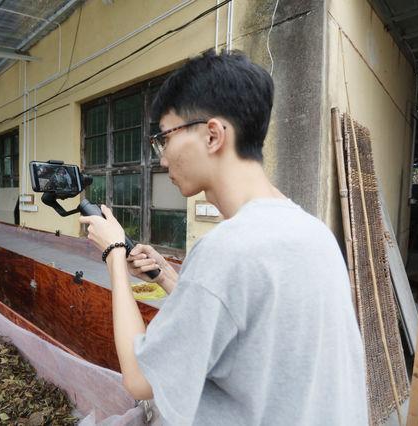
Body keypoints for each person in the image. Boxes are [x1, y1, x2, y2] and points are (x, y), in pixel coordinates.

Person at [79, 49, 367, 425]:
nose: (162, 159)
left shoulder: (226, 250)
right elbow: (244, 329)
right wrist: (166, 276)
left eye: (164, 138)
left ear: (212, 135)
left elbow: (139, 378)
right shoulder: (315, 233)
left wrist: (115, 253)